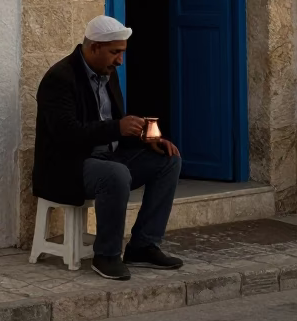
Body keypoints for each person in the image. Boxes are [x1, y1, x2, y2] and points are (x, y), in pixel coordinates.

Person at [33, 15, 184, 281]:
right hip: (69, 165)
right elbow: (66, 135)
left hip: (108, 157)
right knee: (115, 174)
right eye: (115, 53)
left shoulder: (107, 74)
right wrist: (117, 127)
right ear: (94, 48)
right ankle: (106, 255)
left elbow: (113, 127)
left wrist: (147, 140)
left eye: (122, 53)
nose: (119, 61)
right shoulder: (59, 78)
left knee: (168, 160)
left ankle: (143, 246)